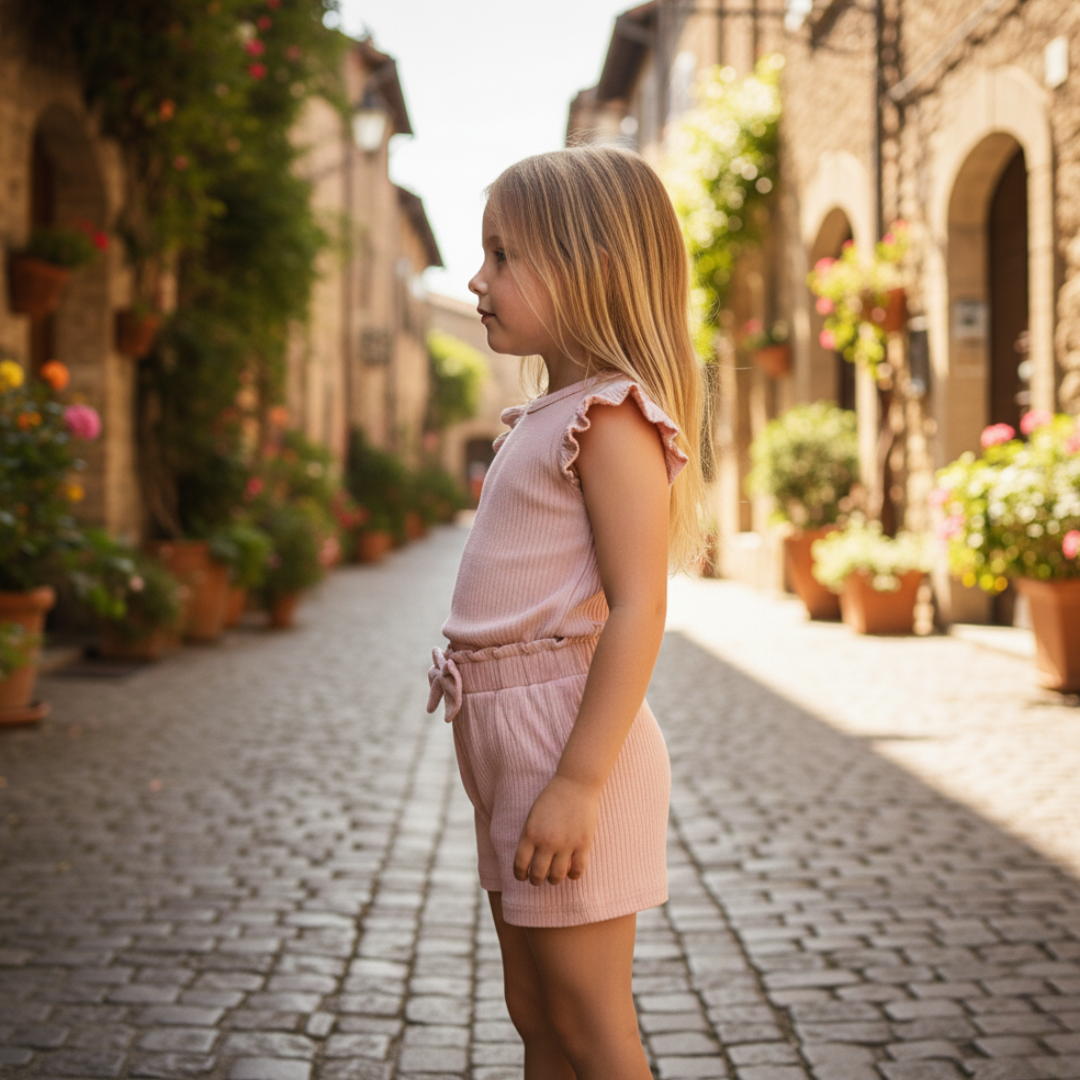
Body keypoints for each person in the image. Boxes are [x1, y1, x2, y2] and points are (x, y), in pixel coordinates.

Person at [426, 145, 707, 1080]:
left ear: (588, 265)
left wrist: (580, 783)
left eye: (503, 255)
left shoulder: (613, 420)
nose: (476, 277)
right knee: (534, 1009)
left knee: (588, 1019)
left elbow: (638, 607)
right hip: (507, 740)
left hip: (566, 741)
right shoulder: (549, 415)